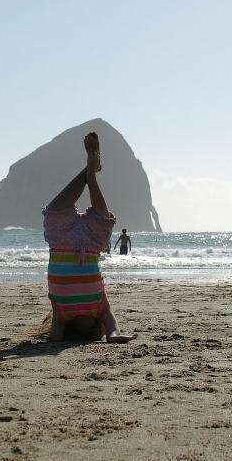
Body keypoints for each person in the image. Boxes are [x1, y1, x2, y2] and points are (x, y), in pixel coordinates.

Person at [41, 132, 136, 343]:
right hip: (68, 244)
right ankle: (90, 173)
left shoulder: (97, 309)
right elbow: (55, 337)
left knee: (102, 218)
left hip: (80, 244)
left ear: (98, 329)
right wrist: (114, 334)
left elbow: (113, 332)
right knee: (55, 212)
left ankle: (90, 173)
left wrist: (113, 333)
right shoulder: (62, 315)